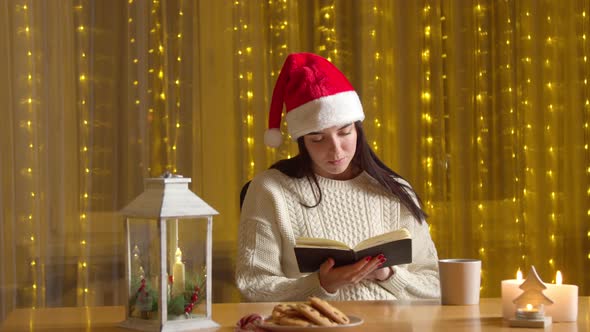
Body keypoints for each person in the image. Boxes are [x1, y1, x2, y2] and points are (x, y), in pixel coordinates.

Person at [235, 52, 440, 302]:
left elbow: (435, 285)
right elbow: (254, 285)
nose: (336, 149)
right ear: (302, 142)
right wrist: (320, 284)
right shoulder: (270, 190)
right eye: (318, 139)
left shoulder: (395, 190)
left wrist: (388, 275)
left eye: (345, 132)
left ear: (358, 130)